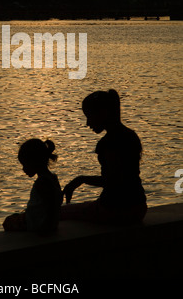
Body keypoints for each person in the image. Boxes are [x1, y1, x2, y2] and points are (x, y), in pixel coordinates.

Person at [61, 89, 147, 224]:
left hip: (115, 210)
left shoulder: (107, 144)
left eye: (89, 116)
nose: (87, 123)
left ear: (103, 113)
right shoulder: (131, 135)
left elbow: (113, 182)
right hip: (139, 207)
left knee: (59, 213)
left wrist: (80, 179)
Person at [3, 138, 63, 234]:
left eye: (24, 164)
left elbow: (50, 208)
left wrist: (44, 228)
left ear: (33, 161)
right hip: (45, 224)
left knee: (8, 221)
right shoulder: (52, 178)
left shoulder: (42, 183)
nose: (23, 169)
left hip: (38, 226)